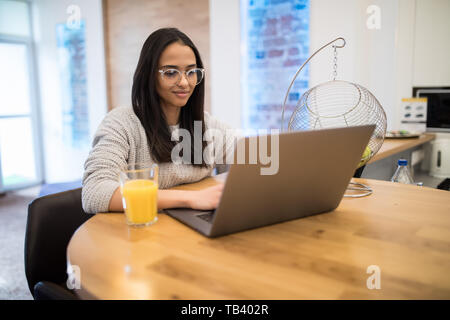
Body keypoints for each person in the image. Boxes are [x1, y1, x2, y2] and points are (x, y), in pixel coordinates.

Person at [82, 28, 236, 214]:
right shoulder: (122, 123)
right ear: (149, 76)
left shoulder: (207, 124)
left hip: (191, 231)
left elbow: (249, 163)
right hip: (141, 233)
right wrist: (190, 199)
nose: (185, 83)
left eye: (191, 72)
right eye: (171, 73)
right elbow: (95, 193)